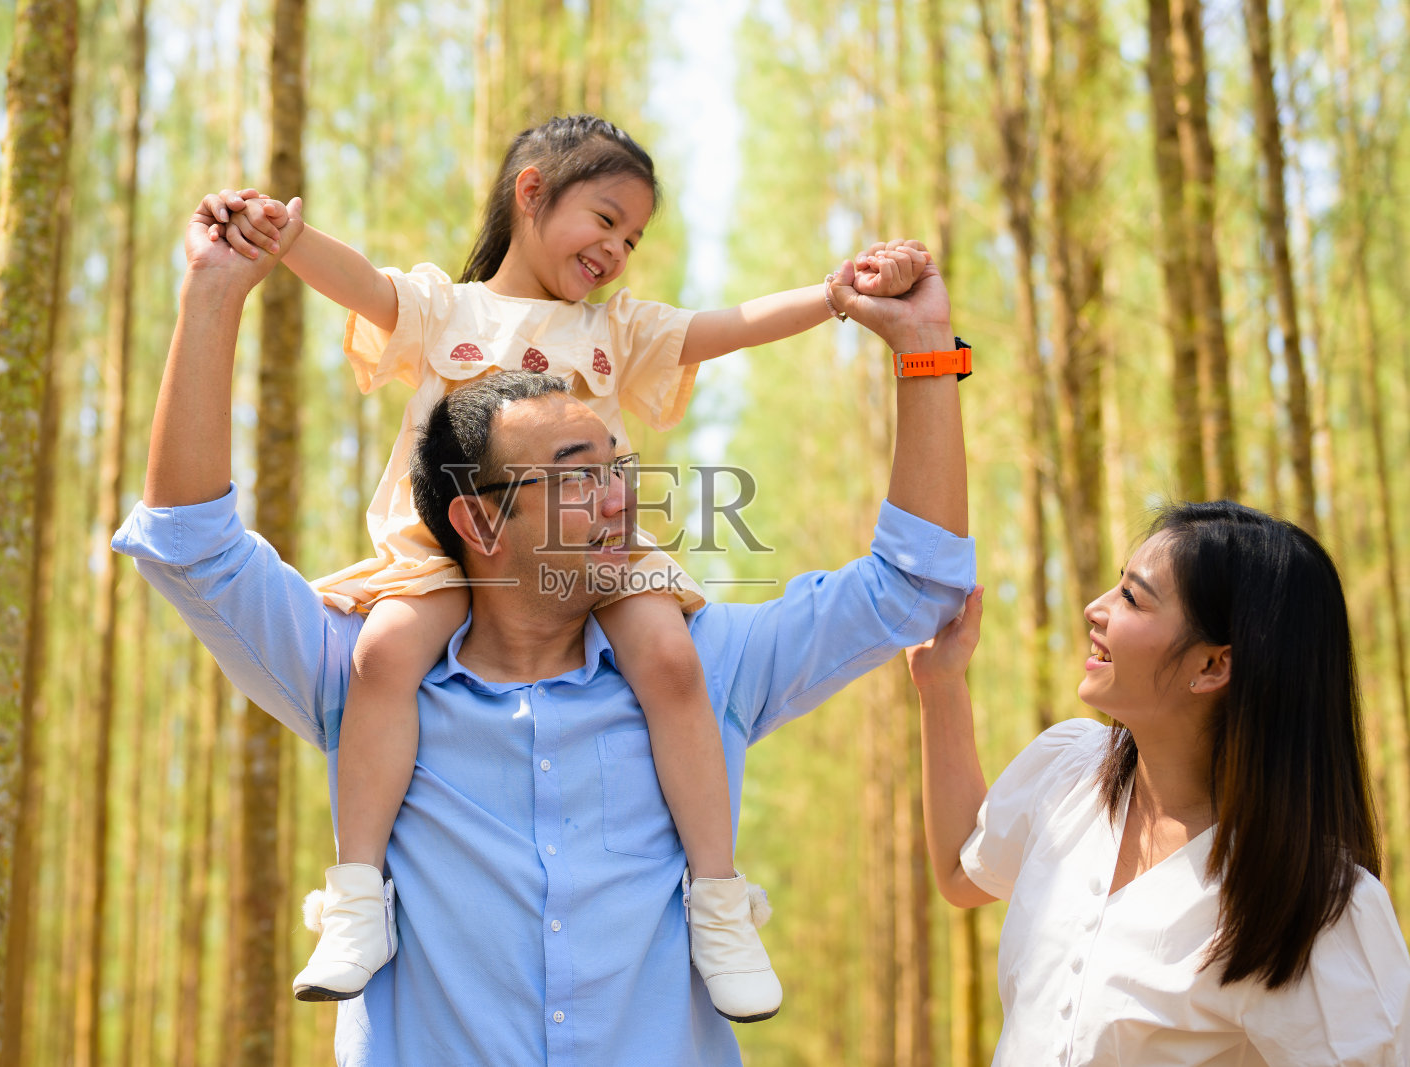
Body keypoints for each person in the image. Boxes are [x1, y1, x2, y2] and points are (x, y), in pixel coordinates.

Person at [112, 191, 974, 1063]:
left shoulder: (704, 668)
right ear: (478, 525)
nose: (617, 500)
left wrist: (926, 350)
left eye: (618, 467)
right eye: (573, 473)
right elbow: (190, 545)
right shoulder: (365, 677)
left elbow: (916, 582)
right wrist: (214, 291)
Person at [908, 502, 1410, 1065]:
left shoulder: (1315, 908)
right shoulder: (1067, 773)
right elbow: (960, 870)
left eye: (1131, 597)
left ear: (1212, 667)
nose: (1093, 609)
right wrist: (941, 683)